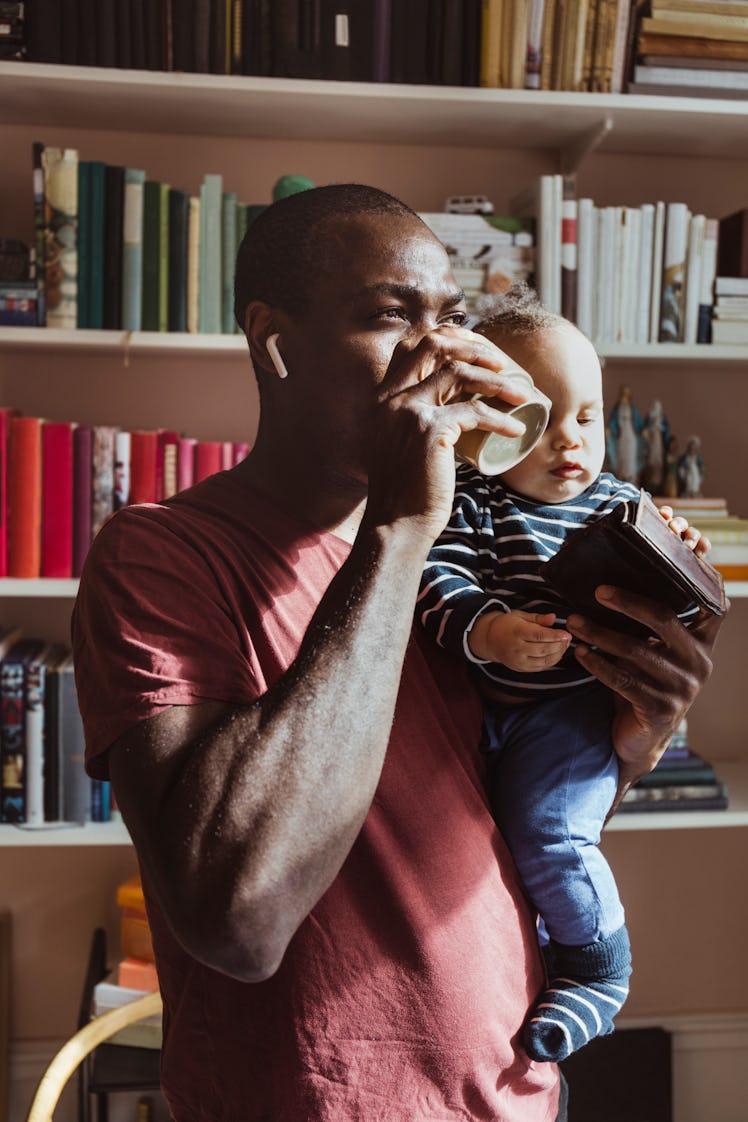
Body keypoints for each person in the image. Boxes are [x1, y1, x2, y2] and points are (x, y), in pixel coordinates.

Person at [71, 185, 724, 1122]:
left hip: (518, 1092)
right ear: (275, 340)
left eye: (452, 320)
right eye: (391, 315)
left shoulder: (483, 553)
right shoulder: (162, 554)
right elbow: (236, 916)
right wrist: (402, 525)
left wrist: (636, 726)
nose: (439, 354)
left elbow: (496, 819)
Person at [418, 284, 711, 1065]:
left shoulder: (619, 504)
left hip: (572, 712)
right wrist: (490, 629)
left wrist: (678, 560)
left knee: (551, 832)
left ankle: (597, 969)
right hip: (481, 709)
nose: (568, 444)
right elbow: (437, 585)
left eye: (587, 419)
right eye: (539, 423)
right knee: (475, 843)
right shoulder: (471, 501)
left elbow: (668, 626)